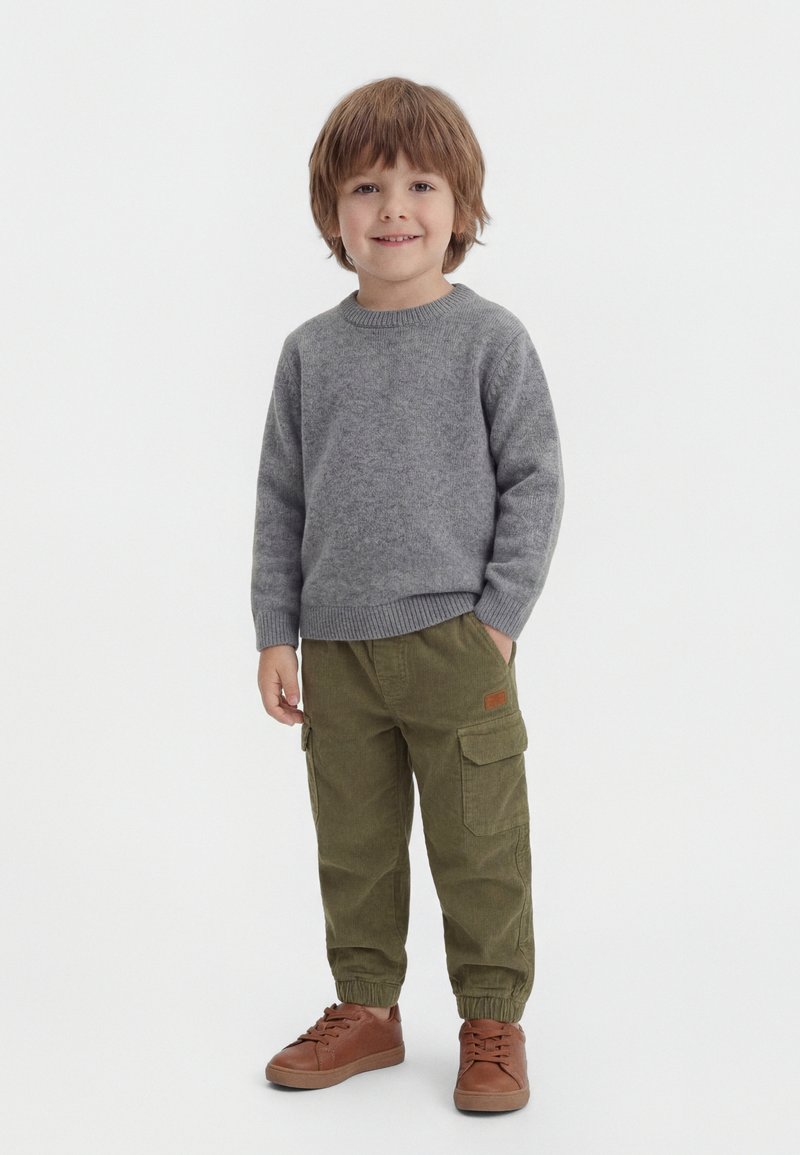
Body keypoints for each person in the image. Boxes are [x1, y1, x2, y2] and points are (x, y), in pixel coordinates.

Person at [251, 76, 565, 1113]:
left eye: (421, 184)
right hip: (337, 651)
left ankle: (491, 1020)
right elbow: (282, 499)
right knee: (354, 845)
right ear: (331, 214)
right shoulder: (309, 353)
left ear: (460, 206)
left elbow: (534, 481)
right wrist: (276, 631)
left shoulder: (489, 340)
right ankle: (367, 1009)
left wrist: (498, 622)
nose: (394, 209)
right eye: (366, 188)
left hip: (455, 645)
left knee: (481, 846)